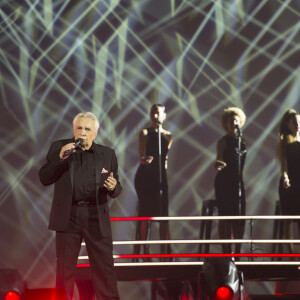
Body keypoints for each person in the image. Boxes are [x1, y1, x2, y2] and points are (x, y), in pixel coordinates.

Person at [39, 112, 121, 300]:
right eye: (79, 128)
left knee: (104, 269)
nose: (82, 132)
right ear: (74, 129)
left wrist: (114, 187)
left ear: (95, 133)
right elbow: (44, 178)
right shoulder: (59, 148)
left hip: (96, 215)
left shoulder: (107, 154)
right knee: (65, 271)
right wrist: (61, 158)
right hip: (69, 215)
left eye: (87, 129)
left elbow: (116, 187)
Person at [134, 104, 173, 259]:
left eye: (158, 113)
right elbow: (141, 154)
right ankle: (144, 251)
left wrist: (164, 172)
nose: (155, 115)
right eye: (152, 113)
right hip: (145, 175)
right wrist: (145, 160)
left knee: (163, 213)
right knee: (146, 211)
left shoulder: (168, 135)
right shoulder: (145, 133)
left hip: (160, 176)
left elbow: (166, 157)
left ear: (164, 115)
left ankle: (164, 253)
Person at [214, 107, 247, 254]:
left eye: (236, 120)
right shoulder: (223, 141)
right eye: (231, 120)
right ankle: (227, 251)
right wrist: (219, 164)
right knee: (225, 216)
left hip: (238, 182)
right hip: (225, 182)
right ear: (226, 124)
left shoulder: (242, 141)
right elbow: (219, 159)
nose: (234, 122)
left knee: (240, 216)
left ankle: (238, 253)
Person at [277, 109, 300, 253]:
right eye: (294, 122)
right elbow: (283, 163)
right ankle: (291, 255)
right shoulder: (284, 142)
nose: (297, 124)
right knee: (288, 219)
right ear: (288, 124)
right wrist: (285, 176)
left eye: (299, 122)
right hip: (290, 185)